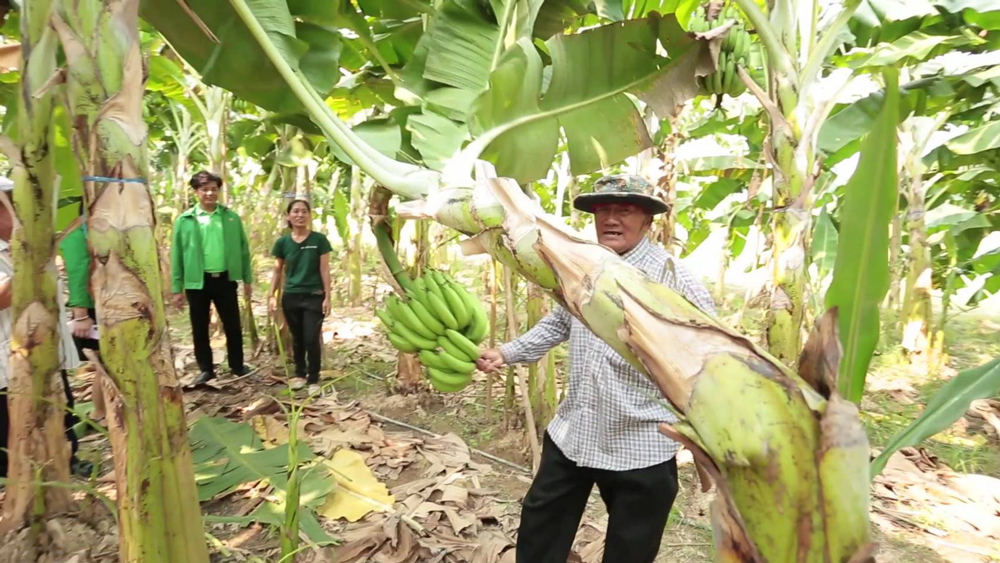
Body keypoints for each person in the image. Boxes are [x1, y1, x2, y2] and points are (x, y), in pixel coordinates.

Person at [476, 175, 717, 563]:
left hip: (641, 439)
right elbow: (560, 322)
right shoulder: (584, 264)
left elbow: (707, 349)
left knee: (630, 549)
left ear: (647, 221)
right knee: (540, 530)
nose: (611, 218)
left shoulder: (673, 278)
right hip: (577, 430)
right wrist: (507, 353)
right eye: (603, 210)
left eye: (624, 210)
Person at [0, 179, 90, 478]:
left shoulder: (33, 243)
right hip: (12, 357)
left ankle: (68, 459)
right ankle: (13, 477)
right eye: (10, 206)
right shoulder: (26, 249)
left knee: (61, 406)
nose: (19, 213)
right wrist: (32, 261)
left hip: (51, 347)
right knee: (11, 422)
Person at [170, 171, 253, 386]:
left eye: (214, 189)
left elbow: (243, 249)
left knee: (233, 325)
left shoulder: (231, 218)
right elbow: (177, 255)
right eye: (204, 189)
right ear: (196, 192)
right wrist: (176, 288)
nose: (210, 193)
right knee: (199, 327)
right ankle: (206, 369)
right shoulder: (185, 220)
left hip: (225, 279)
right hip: (197, 281)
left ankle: (237, 365)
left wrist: (248, 279)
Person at [268, 199, 332, 395]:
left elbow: (324, 269)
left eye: (304, 211)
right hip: (291, 296)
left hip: (314, 296)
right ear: (288, 216)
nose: (300, 215)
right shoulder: (283, 242)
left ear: (309, 215)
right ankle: (300, 375)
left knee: (311, 337)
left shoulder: (319, 240)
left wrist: (328, 296)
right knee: (297, 338)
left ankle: (313, 379)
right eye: (295, 211)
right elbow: (278, 271)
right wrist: (271, 295)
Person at [59, 218, 104, 421]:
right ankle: (100, 411)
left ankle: (104, 410)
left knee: (109, 361)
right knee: (106, 363)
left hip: (108, 302)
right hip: (93, 306)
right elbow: (78, 271)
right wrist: (81, 314)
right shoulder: (77, 233)